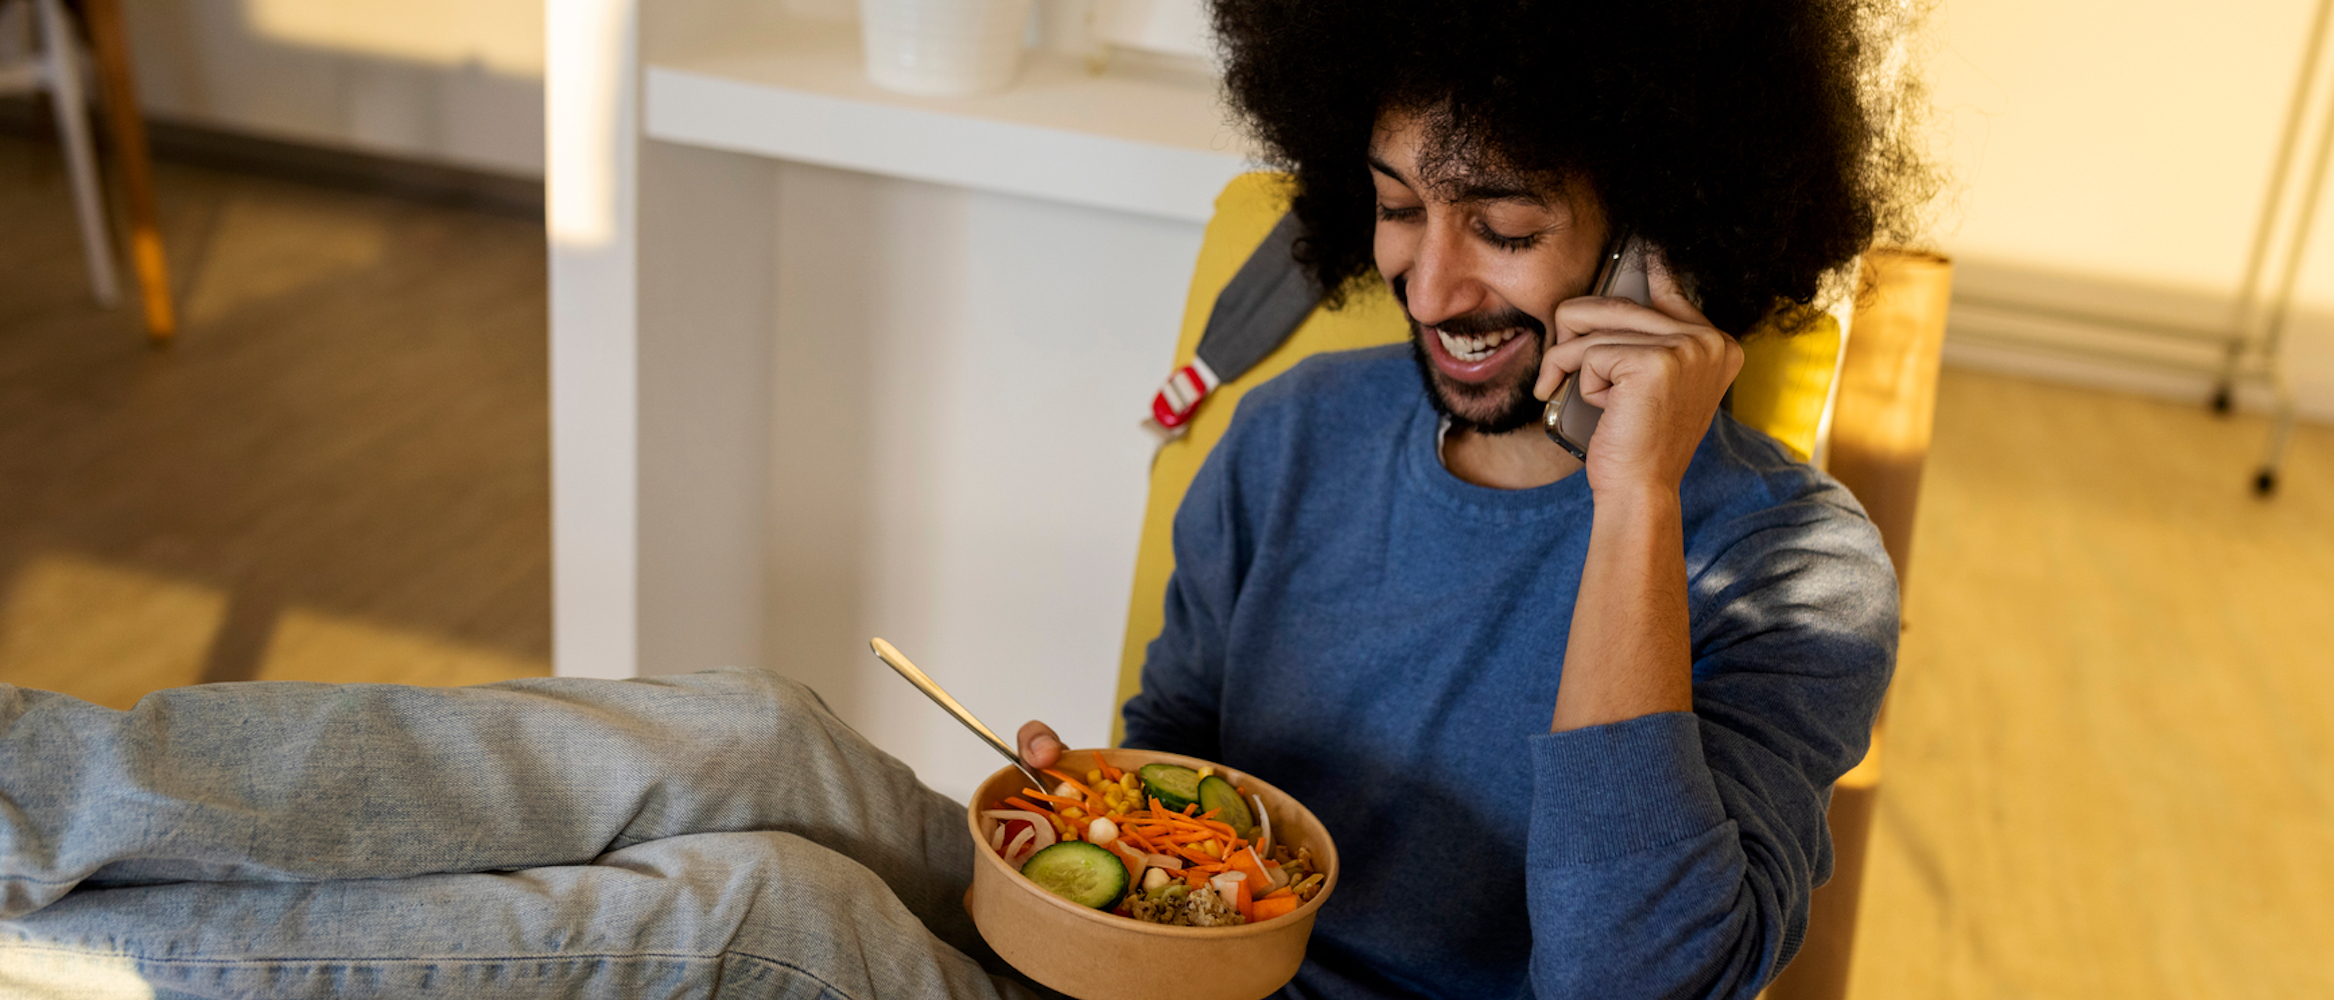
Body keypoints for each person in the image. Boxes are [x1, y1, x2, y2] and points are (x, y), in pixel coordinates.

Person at [2, 0, 1920, 996]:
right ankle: (39, 809)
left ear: (1668, 218)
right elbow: (1184, 756)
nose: (1430, 286)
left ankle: (79, 971)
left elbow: (1626, 979)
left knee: (753, 919)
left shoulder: (1785, 571)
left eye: (1502, 227)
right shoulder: (1297, 434)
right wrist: (1094, 804)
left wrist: (1635, 500)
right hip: (1147, 969)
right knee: (750, 736)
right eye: (1400, 213)